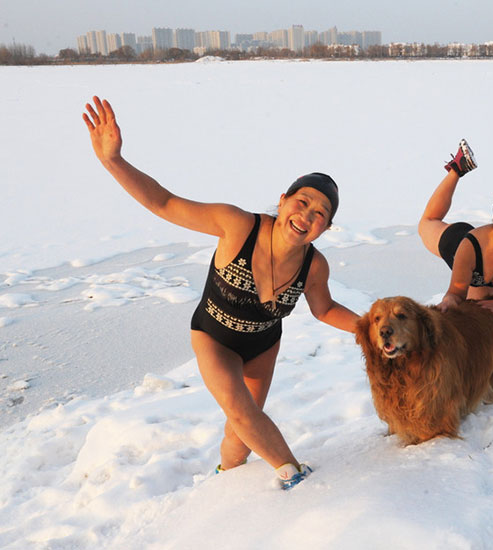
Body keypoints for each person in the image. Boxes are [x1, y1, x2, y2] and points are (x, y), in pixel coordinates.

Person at [82, 96, 359, 489]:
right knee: (243, 413)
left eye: (320, 214)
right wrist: (114, 161)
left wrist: (371, 328)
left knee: (240, 436)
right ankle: (297, 478)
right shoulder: (237, 226)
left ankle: (223, 482)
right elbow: (164, 202)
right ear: (283, 201)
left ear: (325, 228)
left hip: (263, 347)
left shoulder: (315, 265)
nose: (307, 216)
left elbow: (325, 309)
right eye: (302, 202)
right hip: (215, 338)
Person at [418, 139, 493, 316]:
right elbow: (456, 293)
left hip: (483, 278)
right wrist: (448, 301)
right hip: (458, 243)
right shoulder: (469, 246)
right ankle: (457, 169)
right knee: (427, 222)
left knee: (479, 315)